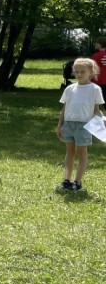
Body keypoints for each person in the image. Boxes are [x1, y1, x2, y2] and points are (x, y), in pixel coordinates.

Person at [57, 58, 104, 191]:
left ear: (91, 71)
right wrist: (60, 125)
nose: (79, 74)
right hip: (69, 124)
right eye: (76, 72)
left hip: (84, 125)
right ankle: (67, 179)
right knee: (70, 151)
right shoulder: (70, 89)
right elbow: (65, 109)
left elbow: (96, 110)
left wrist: (103, 119)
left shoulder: (95, 89)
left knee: (81, 152)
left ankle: (77, 182)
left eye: (82, 72)